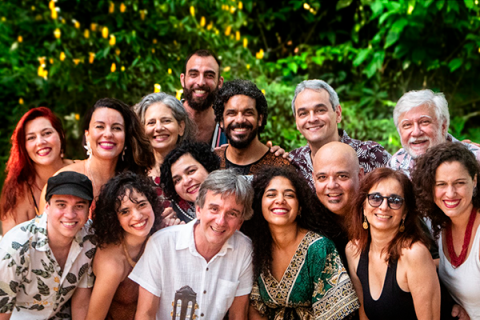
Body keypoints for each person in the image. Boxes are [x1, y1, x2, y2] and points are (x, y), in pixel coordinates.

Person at [130, 169, 254, 319]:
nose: (221, 221)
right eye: (214, 209)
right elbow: (145, 314)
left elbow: (237, 316)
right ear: (199, 210)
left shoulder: (244, 249)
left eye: (232, 213)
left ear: (240, 222)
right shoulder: (161, 244)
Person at [248, 166, 359, 319]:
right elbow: (255, 309)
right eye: (271, 194)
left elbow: (338, 314)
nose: (280, 200)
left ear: (300, 207)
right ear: (260, 204)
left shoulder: (319, 248)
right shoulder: (258, 246)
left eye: (289, 195)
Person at [346, 167, 440, 319]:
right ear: (363, 206)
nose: (383, 207)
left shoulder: (415, 254)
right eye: (375, 198)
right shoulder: (353, 250)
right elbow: (364, 315)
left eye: (395, 200)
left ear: (405, 212)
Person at [0, 171, 95, 319]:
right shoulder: (16, 248)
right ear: (47, 207)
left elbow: (81, 302)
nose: (70, 214)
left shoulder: (91, 238)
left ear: (88, 209)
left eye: (79, 206)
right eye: (61, 205)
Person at [39, 98, 154, 212]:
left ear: (126, 138)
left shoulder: (136, 181)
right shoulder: (63, 180)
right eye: (100, 126)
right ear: (87, 135)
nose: (108, 134)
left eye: (116, 128)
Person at [412, 142, 480, 319]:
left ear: (474, 180)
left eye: (459, 183)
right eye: (441, 184)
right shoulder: (442, 225)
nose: (450, 193)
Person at [289, 80, 391, 191]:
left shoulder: (371, 155)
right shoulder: (293, 164)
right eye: (303, 113)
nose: (312, 119)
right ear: (297, 122)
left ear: (338, 113)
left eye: (320, 110)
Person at [86, 172, 161, 320]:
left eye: (142, 204)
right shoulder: (112, 265)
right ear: (115, 218)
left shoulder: (159, 238)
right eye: (125, 211)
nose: (137, 216)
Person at [1, 107, 74, 234]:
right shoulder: (18, 192)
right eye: (31, 138)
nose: (40, 142)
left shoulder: (83, 170)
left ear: (61, 135)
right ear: (24, 147)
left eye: (47, 133)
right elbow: (11, 247)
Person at [389, 89, 480, 178]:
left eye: (424, 122)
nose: (416, 132)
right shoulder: (397, 163)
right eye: (407, 125)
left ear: (443, 126)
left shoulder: (476, 158)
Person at [213, 79, 291, 175]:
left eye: (248, 113)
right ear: (221, 121)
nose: (240, 120)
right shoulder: (211, 162)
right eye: (232, 113)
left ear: (260, 119)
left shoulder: (280, 167)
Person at [134, 92, 195, 181]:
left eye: (166, 121)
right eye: (151, 123)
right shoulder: (134, 173)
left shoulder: (195, 170)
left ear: (181, 127)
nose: (158, 128)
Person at [160, 141, 220, 222]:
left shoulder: (235, 196)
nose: (186, 181)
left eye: (191, 171)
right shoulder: (173, 217)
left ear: (208, 167)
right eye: (177, 180)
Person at [180, 49, 226, 147]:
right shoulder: (165, 120)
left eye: (209, 75)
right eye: (193, 74)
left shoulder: (229, 128)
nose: (201, 82)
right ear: (183, 80)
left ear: (219, 83)